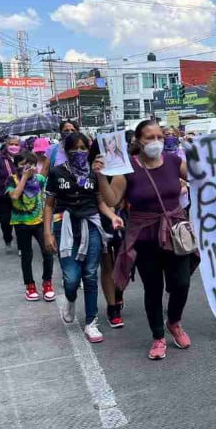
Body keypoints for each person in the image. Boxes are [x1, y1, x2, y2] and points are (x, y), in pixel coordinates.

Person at [95, 120, 200, 360]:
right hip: (144, 237)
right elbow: (112, 200)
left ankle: (174, 322)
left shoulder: (174, 161)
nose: (156, 142)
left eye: (160, 137)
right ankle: (158, 336)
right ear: (138, 141)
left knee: (182, 283)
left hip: (175, 234)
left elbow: (202, 177)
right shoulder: (127, 168)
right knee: (153, 289)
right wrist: (100, 176)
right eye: (150, 138)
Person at [43, 132, 124, 344]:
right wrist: (47, 232)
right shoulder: (57, 172)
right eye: (74, 148)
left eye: (83, 148)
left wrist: (113, 217)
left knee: (90, 274)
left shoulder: (93, 173)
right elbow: (49, 204)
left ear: (88, 150)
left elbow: (100, 202)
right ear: (66, 150)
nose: (78, 152)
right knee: (71, 278)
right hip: (66, 227)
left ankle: (91, 322)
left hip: (92, 225)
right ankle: (70, 299)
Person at [6, 151, 54, 302]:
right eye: (23, 165)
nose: (28, 168)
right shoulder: (11, 180)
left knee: (48, 252)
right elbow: (14, 196)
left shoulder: (39, 179)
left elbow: (50, 195)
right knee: (27, 256)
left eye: (31, 165)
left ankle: (47, 283)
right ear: (16, 166)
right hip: (21, 223)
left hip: (39, 222)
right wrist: (24, 178)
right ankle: (30, 286)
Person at [88, 139, 125, 329]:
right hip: (97, 221)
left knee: (124, 265)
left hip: (123, 221)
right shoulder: (88, 171)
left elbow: (118, 199)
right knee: (107, 264)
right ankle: (113, 308)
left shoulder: (122, 170)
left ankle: (118, 293)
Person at [0, 135, 22, 252]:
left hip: (20, 196)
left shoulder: (23, 157)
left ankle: (22, 246)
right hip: (3, 196)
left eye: (16, 144)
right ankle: (8, 239)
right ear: (6, 145)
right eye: (11, 144)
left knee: (21, 222)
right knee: (5, 221)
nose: (14, 146)